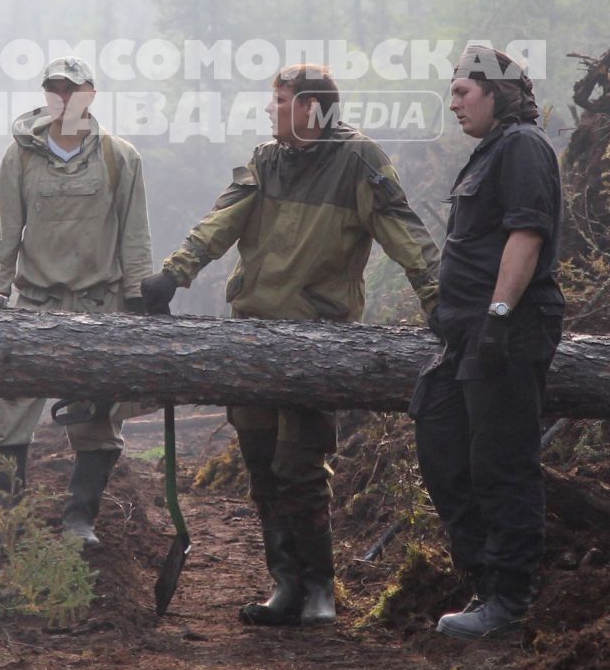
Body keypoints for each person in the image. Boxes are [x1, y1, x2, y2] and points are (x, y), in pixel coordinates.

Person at [141, 64, 441, 626]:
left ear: (309, 108)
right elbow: (220, 220)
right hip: (254, 337)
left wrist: (436, 296)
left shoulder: (358, 161)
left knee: (300, 467)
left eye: (278, 100)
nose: (269, 109)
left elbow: (403, 229)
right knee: (260, 464)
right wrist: (173, 274)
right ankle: (285, 585)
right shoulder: (265, 160)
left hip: (319, 342)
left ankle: (320, 589)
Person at [411, 42, 563, 642]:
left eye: (462, 92)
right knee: (442, 441)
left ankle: (509, 601)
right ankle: (481, 581)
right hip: (468, 332)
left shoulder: (523, 147)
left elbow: (526, 235)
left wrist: (499, 316)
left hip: (508, 329)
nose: (453, 104)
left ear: (495, 92)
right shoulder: (488, 153)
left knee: (502, 463)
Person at [0, 56, 152, 550]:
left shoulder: (120, 157)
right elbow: (7, 233)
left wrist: (138, 302)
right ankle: (3, 523)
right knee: (8, 414)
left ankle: (79, 519)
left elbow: (135, 236)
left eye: (73, 89)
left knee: (98, 422)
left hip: (98, 304)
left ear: (90, 95)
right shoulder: (21, 156)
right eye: (54, 89)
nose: (64, 98)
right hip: (33, 302)